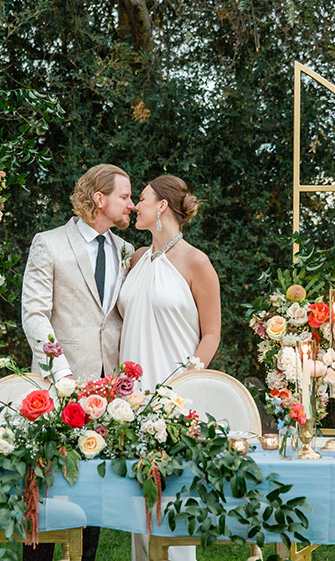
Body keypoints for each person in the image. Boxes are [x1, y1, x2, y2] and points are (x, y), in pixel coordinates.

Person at [20, 163, 136, 561]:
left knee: (93, 500)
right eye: (125, 196)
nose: (132, 205)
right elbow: (34, 314)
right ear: (99, 199)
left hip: (108, 391)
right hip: (57, 389)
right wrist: (60, 371)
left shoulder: (124, 250)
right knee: (48, 494)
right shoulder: (48, 243)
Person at [117, 175, 221, 561]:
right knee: (138, 504)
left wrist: (184, 384)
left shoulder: (196, 261)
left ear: (161, 206)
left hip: (176, 393)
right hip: (132, 395)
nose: (134, 206)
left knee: (175, 502)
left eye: (141, 199)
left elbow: (211, 334)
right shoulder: (137, 258)